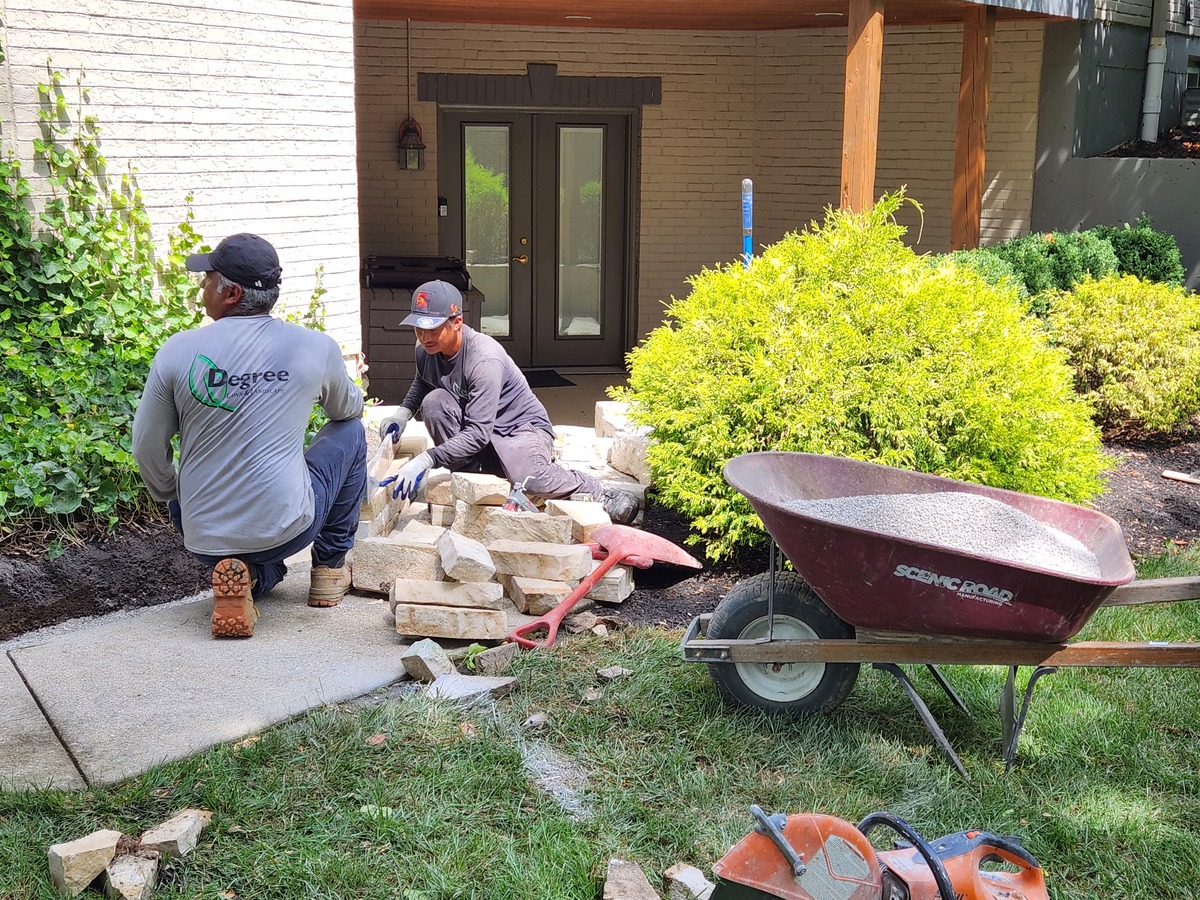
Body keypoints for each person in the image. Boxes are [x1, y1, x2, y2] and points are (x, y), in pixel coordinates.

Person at [132, 233, 366, 639]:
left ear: (232, 292)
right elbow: (347, 411)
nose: (201, 287)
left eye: (207, 279)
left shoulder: (177, 350)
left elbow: (146, 448)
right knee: (351, 432)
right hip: (286, 529)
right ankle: (328, 568)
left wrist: (175, 496)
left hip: (202, 536)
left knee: (242, 546)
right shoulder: (314, 346)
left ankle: (252, 578)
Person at [378, 279, 641, 524]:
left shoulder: (483, 359)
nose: (425, 337)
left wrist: (426, 460)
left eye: (433, 328)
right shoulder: (426, 349)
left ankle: (598, 491)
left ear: (457, 321)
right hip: (482, 432)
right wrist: (402, 414)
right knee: (434, 403)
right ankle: (475, 477)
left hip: (519, 429)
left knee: (530, 479)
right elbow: (424, 382)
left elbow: (478, 433)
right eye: (419, 328)